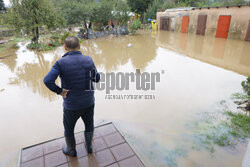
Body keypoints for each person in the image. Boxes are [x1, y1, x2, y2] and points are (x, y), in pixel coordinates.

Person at [43, 36, 100, 157]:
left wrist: (60, 91)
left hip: (71, 105)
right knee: (89, 125)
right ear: (79, 46)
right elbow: (97, 78)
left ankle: (71, 150)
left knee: (69, 129)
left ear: (65, 48)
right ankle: (89, 147)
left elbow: (47, 80)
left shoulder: (60, 63)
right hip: (89, 102)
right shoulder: (88, 60)